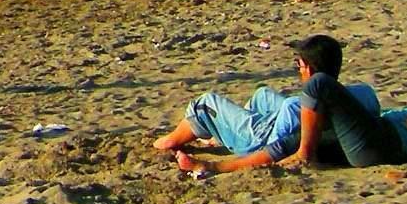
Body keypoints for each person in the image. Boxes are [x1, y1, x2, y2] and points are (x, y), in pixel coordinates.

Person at [160, 35, 391, 173]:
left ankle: (169, 141)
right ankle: (218, 136)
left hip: (263, 137)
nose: (299, 71)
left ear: (309, 69)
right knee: (263, 95)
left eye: (299, 66)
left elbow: (273, 147)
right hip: (288, 119)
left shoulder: (297, 108)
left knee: (205, 104)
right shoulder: (364, 94)